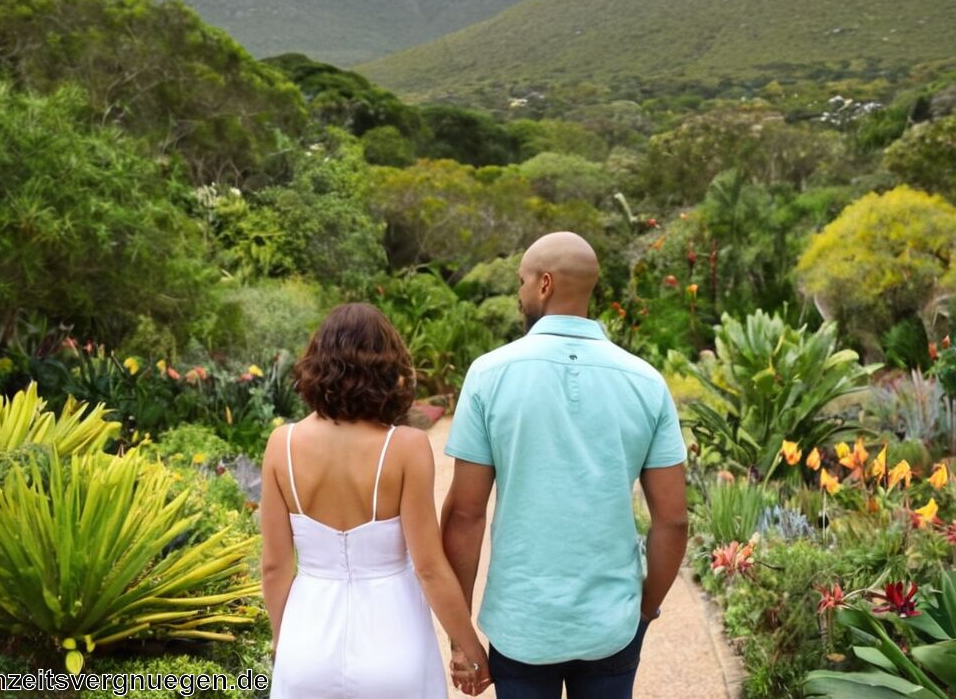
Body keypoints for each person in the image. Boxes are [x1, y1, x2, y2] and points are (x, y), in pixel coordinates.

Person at [441, 231, 690, 698]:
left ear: (544, 284)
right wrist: (644, 611)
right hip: (612, 624)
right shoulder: (646, 382)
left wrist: (462, 639)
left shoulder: (489, 375)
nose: (518, 294)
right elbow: (673, 520)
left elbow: (465, 516)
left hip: (521, 624)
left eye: (521, 282)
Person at [261, 302, 492, 698]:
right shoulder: (406, 448)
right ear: (387, 369)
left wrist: (285, 641)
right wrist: (467, 646)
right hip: (393, 642)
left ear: (317, 364)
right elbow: (430, 569)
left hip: (307, 642)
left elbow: (274, 566)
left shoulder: (282, 445)